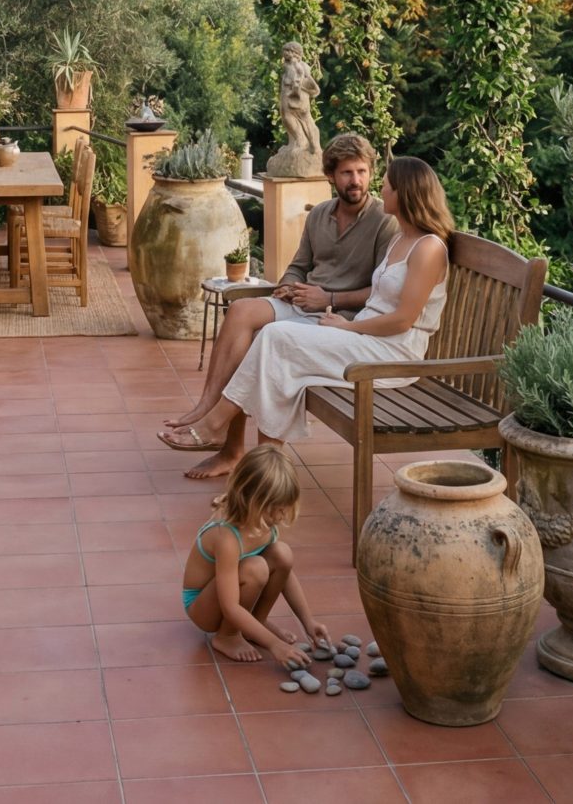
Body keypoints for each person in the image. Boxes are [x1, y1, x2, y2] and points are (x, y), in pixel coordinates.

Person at [158, 156, 453, 482]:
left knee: (276, 338)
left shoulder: (428, 248)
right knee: (274, 351)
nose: (380, 189)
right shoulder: (402, 239)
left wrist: (348, 325)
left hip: (393, 354)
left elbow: (402, 321)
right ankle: (263, 481)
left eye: (386, 185)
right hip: (366, 338)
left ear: (404, 193)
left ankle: (217, 426)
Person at [162, 131, 390, 448]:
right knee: (241, 310)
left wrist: (329, 298)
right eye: (347, 172)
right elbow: (299, 264)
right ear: (330, 176)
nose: (356, 180)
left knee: (259, 339)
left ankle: (232, 443)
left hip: (339, 318)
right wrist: (286, 285)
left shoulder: (384, 221)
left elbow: (381, 291)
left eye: (362, 171)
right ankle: (207, 405)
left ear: (371, 173)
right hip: (303, 303)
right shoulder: (320, 214)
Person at [180, 443, 326, 663]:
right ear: (250, 500)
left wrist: (308, 621)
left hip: (230, 595)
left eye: (284, 508)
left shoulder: (263, 522)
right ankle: (228, 636)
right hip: (203, 608)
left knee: (282, 553)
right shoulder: (226, 537)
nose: (280, 516)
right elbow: (230, 606)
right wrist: (274, 645)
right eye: (275, 509)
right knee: (255, 569)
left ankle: (256, 622)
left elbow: (285, 574)